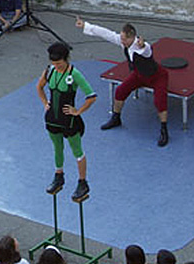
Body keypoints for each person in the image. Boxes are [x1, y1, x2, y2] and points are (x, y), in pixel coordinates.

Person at [77, 15, 170, 146]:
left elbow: (146, 50)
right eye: (121, 38)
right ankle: (116, 118)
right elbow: (106, 33)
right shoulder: (123, 42)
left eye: (124, 39)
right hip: (139, 75)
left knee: (160, 100)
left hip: (157, 76)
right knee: (120, 91)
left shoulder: (141, 47)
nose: (122, 41)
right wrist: (86, 25)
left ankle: (164, 129)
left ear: (132, 37)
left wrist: (143, 45)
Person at [37, 42, 97, 199]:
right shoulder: (49, 71)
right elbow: (39, 87)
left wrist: (78, 112)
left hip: (69, 120)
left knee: (77, 151)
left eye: (59, 63)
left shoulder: (75, 74)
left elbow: (91, 96)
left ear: (66, 59)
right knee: (57, 148)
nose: (56, 66)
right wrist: (45, 103)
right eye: (53, 63)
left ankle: (83, 182)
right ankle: (59, 176)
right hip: (52, 119)